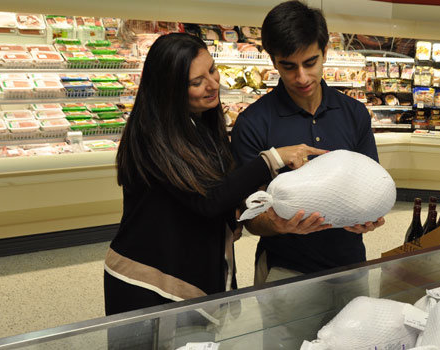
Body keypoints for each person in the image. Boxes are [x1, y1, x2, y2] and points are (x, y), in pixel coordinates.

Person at [105, 32, 325, 332]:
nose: (213, 84)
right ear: (169, 89)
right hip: (150, 283)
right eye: (197, 82)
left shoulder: (202, 125)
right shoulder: (151, 137)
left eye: (212, 69)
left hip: (189, 278)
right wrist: (270, 159)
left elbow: (216, 194)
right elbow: (207, 200)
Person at [230, 0, 385, 287]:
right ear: (272, 59)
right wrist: (276, 222)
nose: (301, 77)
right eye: (288, 66)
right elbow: (249, 215)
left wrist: (371, 216)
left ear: (325, 52)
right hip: (285, 273)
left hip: (350, 265)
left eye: (310, 62)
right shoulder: (252, 123)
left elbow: (369, 184)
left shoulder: (354, 113)